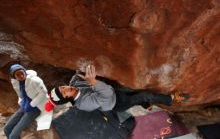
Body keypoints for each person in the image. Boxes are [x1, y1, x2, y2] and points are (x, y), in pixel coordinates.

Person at [45, 64, 189, 113]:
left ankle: (147, 105)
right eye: (65, 91)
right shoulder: (84, 104)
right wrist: (93, 82)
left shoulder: (74, 83)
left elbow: (78, 72)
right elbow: (106, 94)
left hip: (115, 93)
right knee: (144, 95)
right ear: (68, 98)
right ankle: (171, 99)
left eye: (63, 87)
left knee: (134, 92)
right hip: (115, 103)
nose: (67, 87)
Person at [4, 64, 52, 139]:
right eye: (17, 75)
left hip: (35, 108)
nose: (21, 76)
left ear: (24, 71)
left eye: (21, 73)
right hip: (24, 106)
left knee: (13, 136)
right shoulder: (16, 83)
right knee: (6, 128)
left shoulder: (35, 80)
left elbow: (43, 93)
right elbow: (21, 95)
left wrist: (32, 104)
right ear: (14, 77)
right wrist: (21, 102)